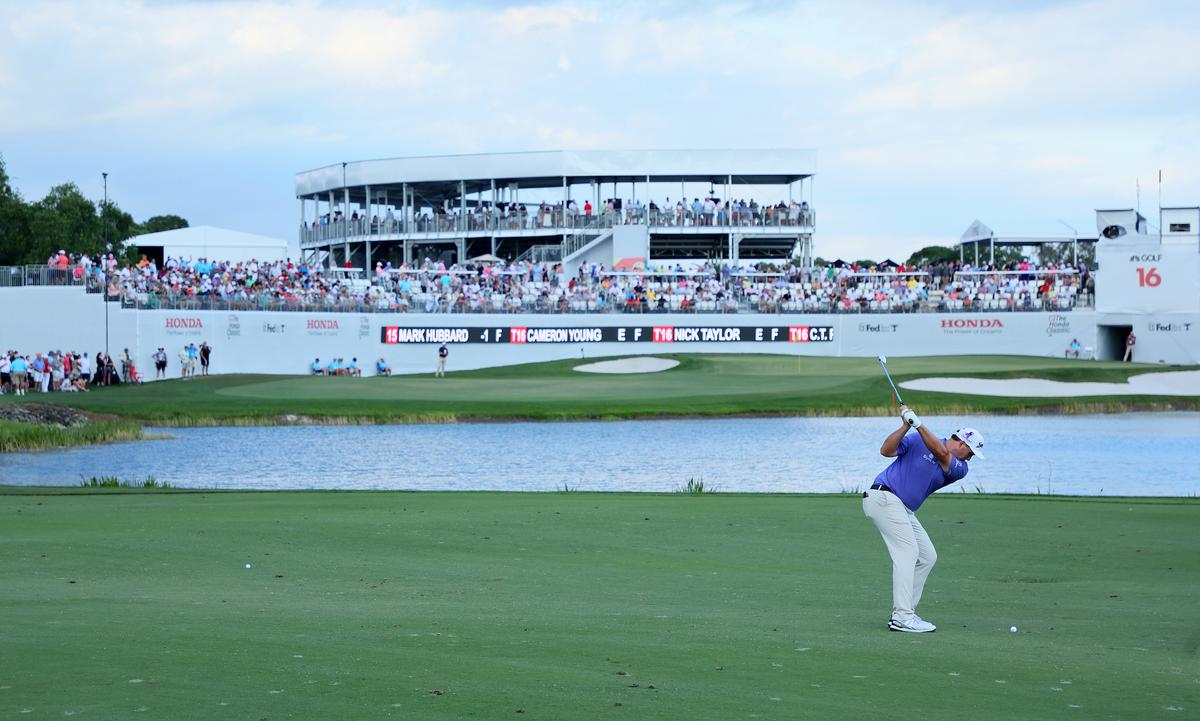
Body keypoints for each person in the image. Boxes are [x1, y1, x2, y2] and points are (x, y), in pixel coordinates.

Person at [863, 404, 985, 633]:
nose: (970, 459)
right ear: (962, 444)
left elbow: (940, 453)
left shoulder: (960, 468)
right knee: (908, 552)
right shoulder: (918, 439)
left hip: (903, 509)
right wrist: (905, 426)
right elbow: (886, 450)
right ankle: (902, 617)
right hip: (884, 497)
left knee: (927, 556)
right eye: (970, 453)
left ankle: (906, 611)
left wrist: (917, 424)